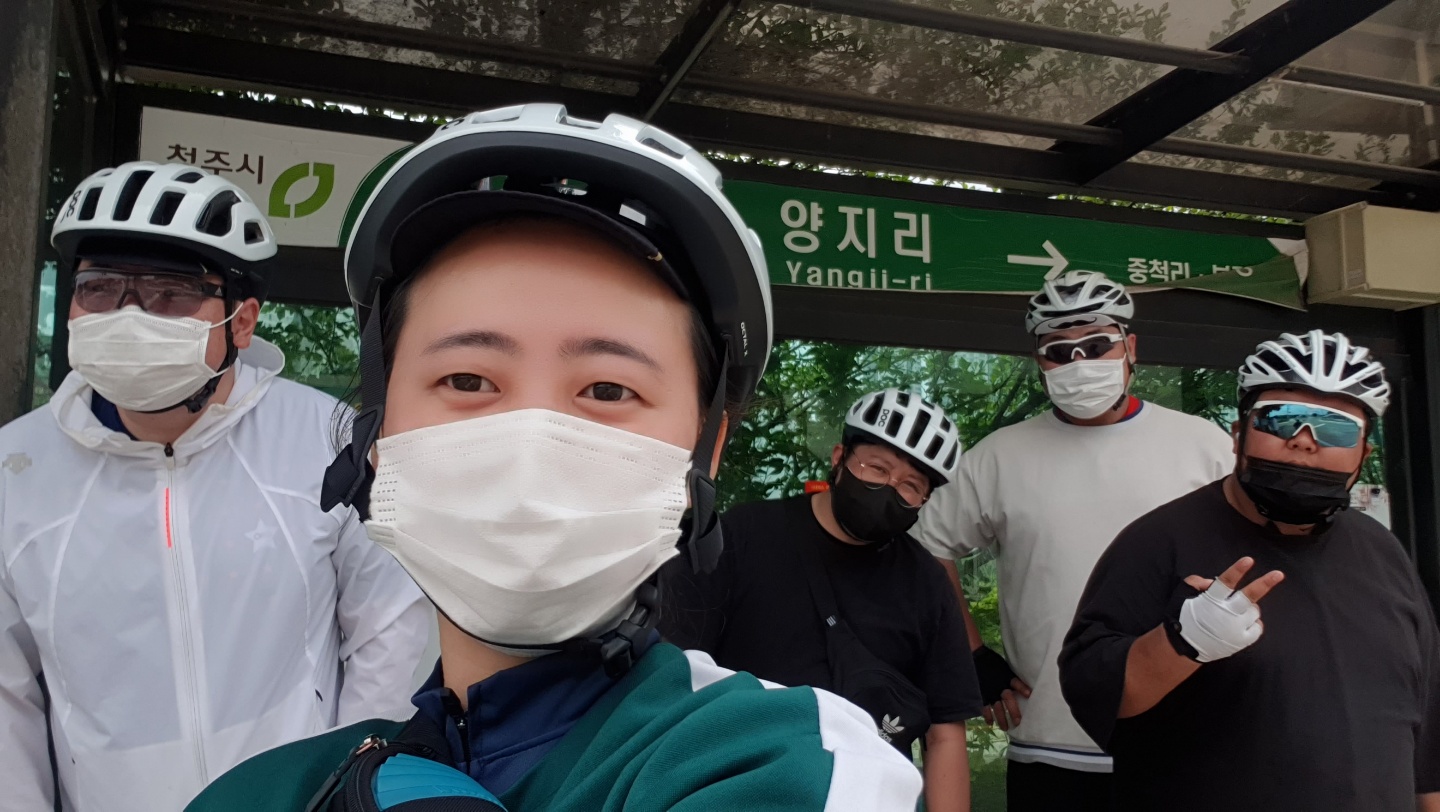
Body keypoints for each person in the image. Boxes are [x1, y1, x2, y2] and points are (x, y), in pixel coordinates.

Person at [185, 104, 922, 812]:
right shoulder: (265, 795)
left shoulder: (787, 763)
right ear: (374, 434)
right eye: (466, 380)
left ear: (707, 450)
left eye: (608, 389)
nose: (530, 444)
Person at [0, 163, 430, 811]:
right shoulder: (15, 468)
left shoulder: (327, 439)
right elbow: (7, 696)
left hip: (296, 799)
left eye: (170, 292)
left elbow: (388, 634)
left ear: (241, 320)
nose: (128, 313)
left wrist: (346, 791)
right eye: (100, 287)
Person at [1059, 329, 1440, 812]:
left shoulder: (1383, 552)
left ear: (1364, 453)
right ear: (1239, 433)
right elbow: (1095, 694)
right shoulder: (1157, 541)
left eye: (1336, 428)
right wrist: (1181, 641)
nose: (1304, 442)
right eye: (1281, 420)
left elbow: (1426, 725)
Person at [912, 270, 1233, 811]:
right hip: (1050, 742)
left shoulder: (1204, 445)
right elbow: (926, 547)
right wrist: (971, 656)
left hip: (1184, 735)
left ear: (1131, 348)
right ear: (1039, 362)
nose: (1079, 362)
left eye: (1097, 345)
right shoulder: (1000, 455)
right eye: (1059, 351)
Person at [662, 388, 982, 811]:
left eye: (911, 486)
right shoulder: (742, 536)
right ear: (839, 458)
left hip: (865, 798)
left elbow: (945, 734)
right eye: (876, 467)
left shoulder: (927, 583)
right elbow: (673, 674)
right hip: (736, 788)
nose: (889, 489)